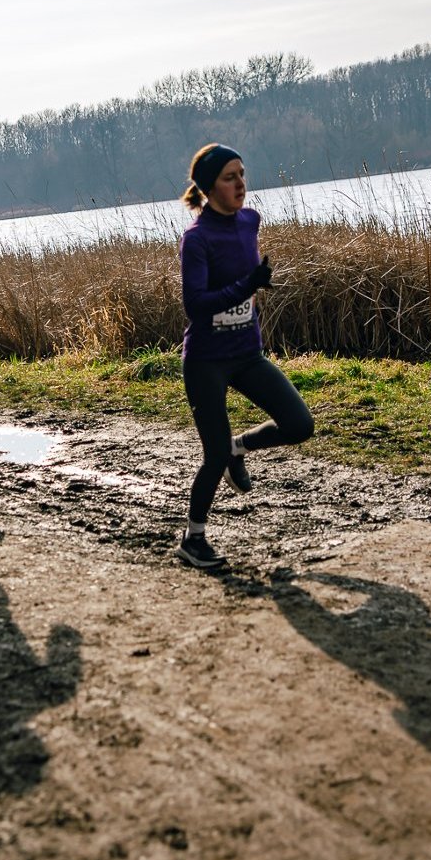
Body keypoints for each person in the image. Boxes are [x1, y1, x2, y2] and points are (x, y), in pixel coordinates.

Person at [175, 143, 314, 568]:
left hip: (247, 354)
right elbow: (196, 305)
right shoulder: (196, 240)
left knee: (299, 424)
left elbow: (242, 281)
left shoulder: (250, 222)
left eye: (242, 174)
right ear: (207, 187)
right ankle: (193, 539)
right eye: (229, 177)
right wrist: (248, 285)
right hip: (206, 362)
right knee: (212, 455)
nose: (240, 184)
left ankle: (241, 447)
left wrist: (252, 285)